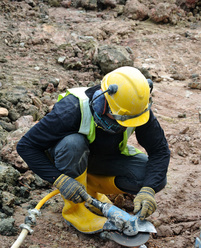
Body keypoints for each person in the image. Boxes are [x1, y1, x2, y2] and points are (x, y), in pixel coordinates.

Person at [17, 66, 170, 233]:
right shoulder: (71, 109)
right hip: (69, 157)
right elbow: (26, 146)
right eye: (122, 119)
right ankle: (76, 212)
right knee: (73, 143)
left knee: (153, 178)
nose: (124, 124)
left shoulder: (135, 108)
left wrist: (148, 189)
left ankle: (91, 192)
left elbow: (160, 151)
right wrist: (60, 180)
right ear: (105, 102)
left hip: (103, 159)